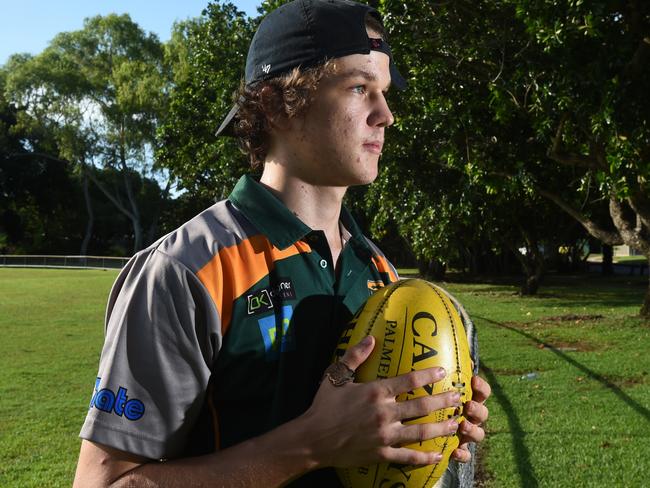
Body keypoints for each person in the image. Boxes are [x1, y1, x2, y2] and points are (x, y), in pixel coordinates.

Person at [73, 1, 491, 486]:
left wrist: (430, 427)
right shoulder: (187, 270)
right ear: (276, 105)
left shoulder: (379, 272)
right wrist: (310, 446)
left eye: (384, 92)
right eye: (359, 88)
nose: (386, 115)